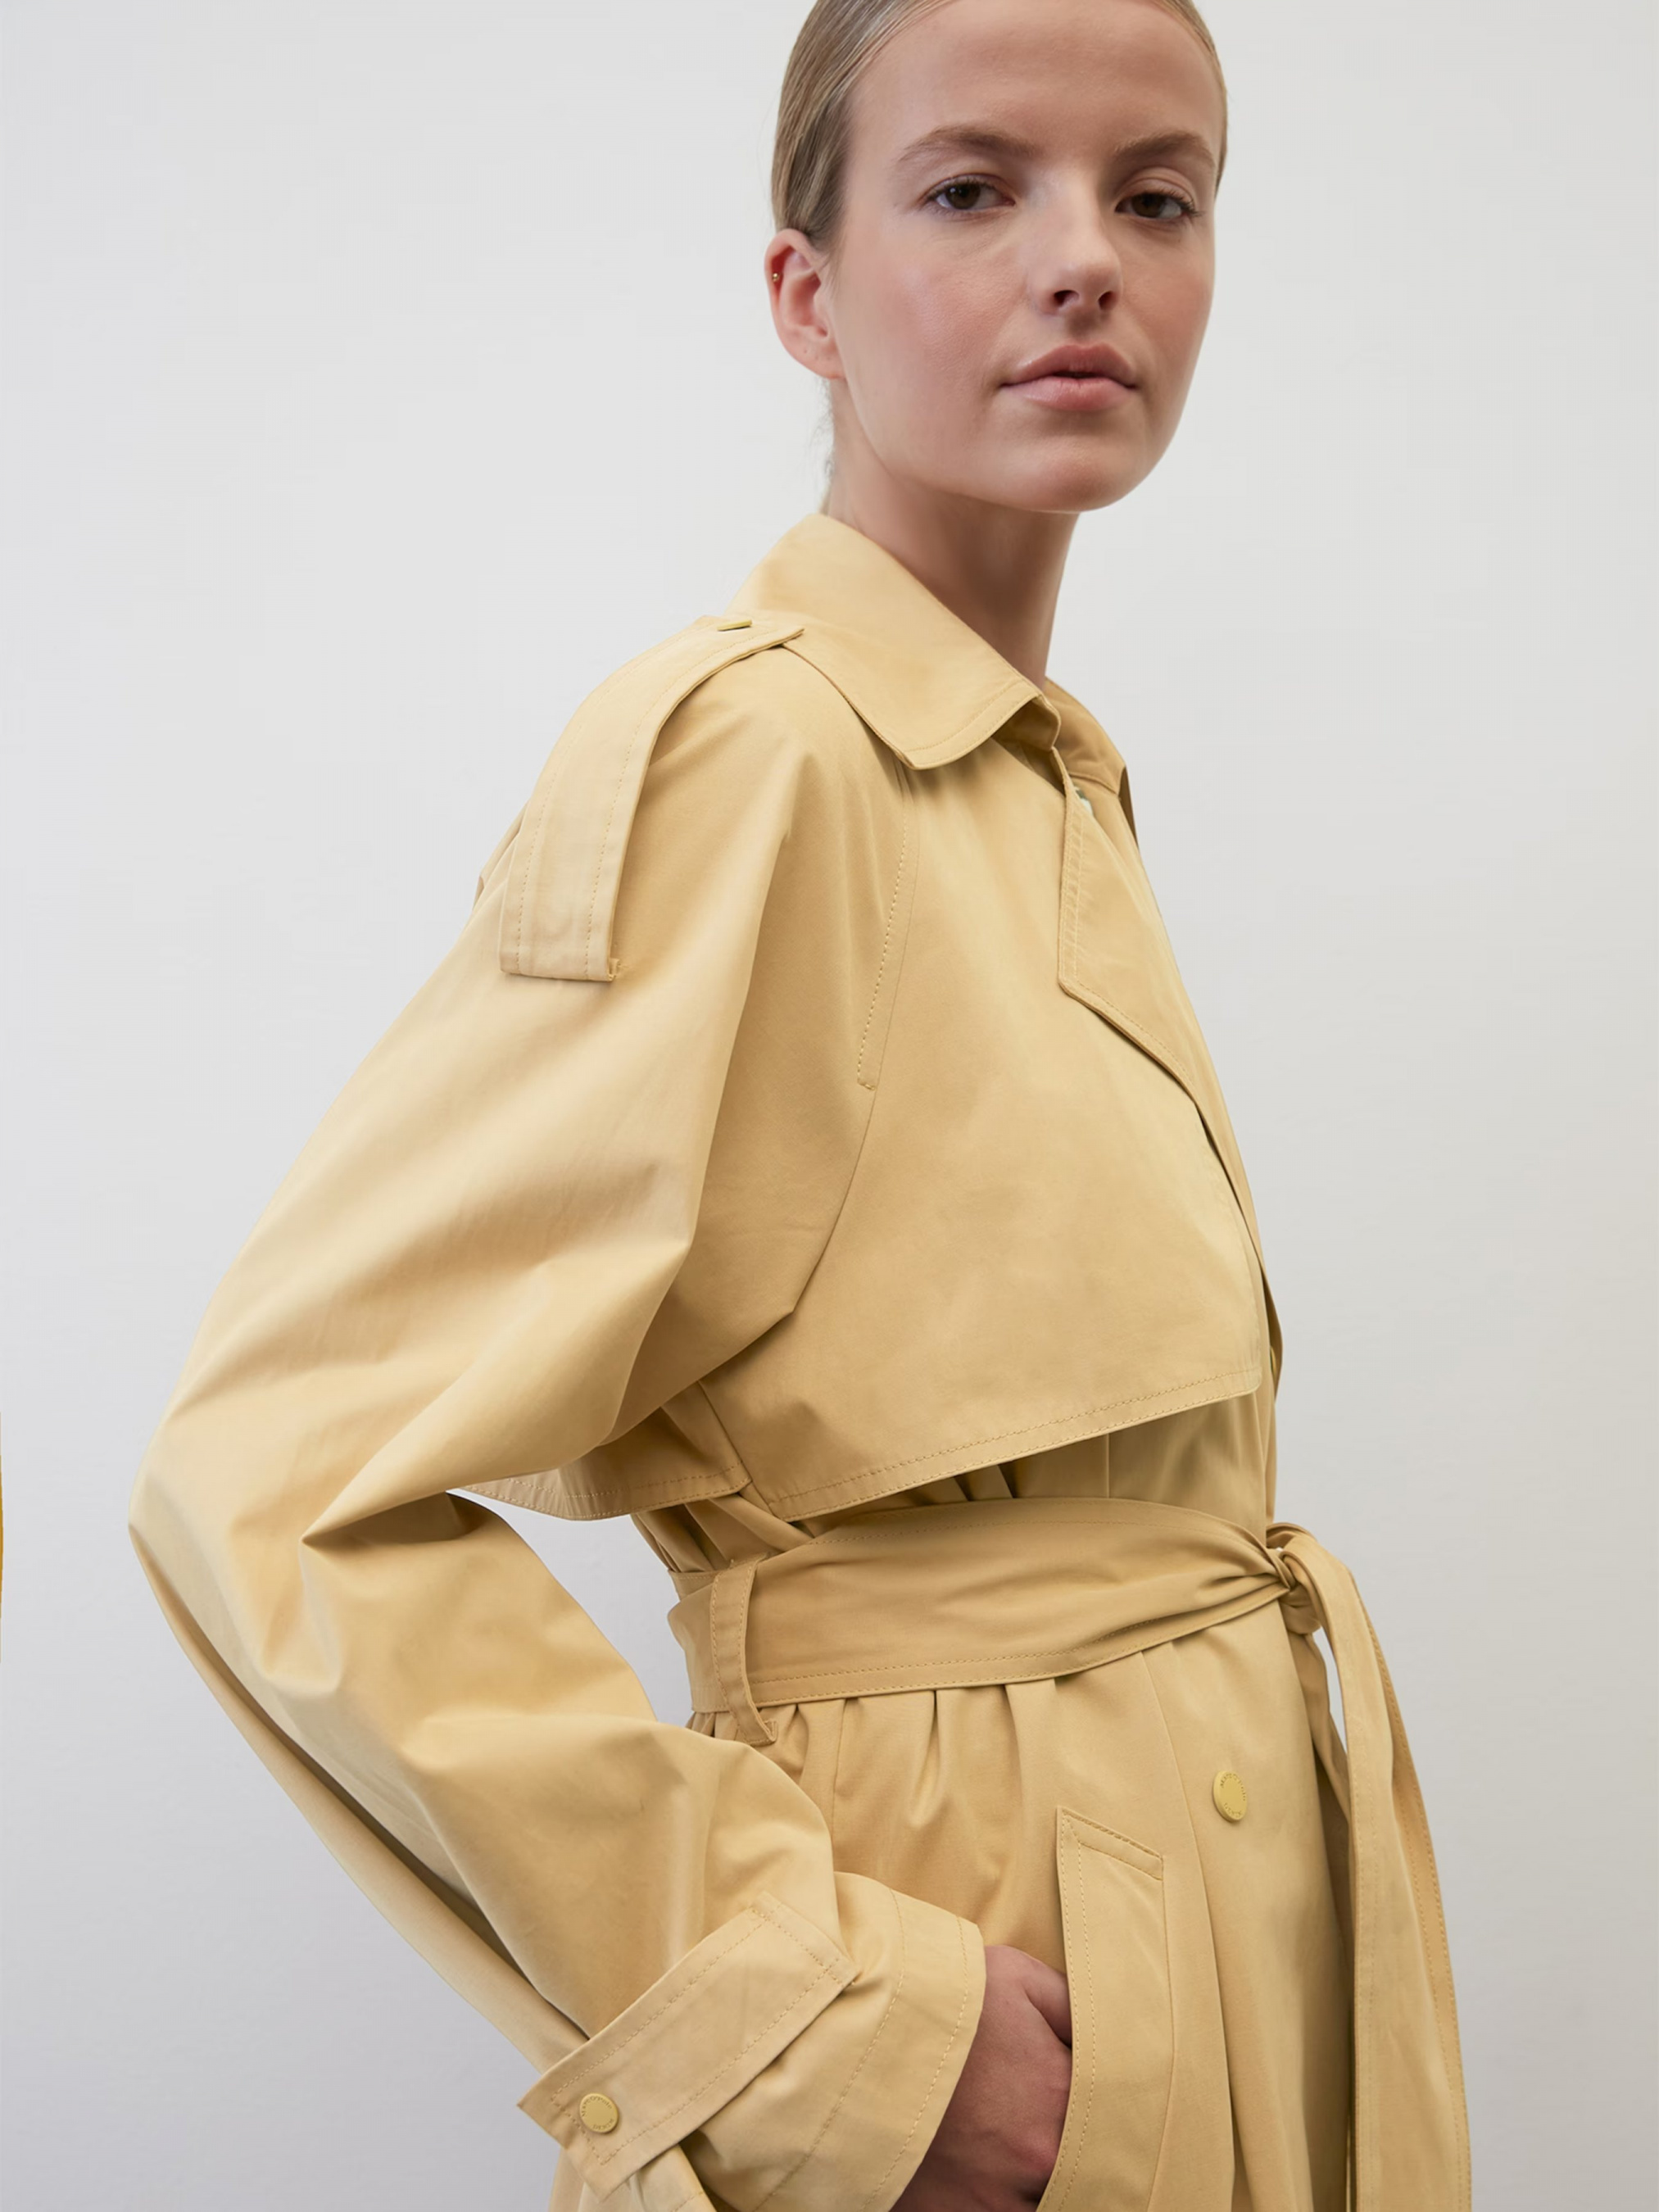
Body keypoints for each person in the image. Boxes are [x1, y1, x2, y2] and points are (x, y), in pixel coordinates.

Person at [129, 2, 1471, 2206]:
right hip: (984, 1946)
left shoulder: (1032, 778)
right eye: (972, 188)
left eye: (1157, 195)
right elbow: (270, 1475)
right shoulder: (753, 760)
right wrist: (828, 2025)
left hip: (1221, 1918)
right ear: (806, 294)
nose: (1086, 258)